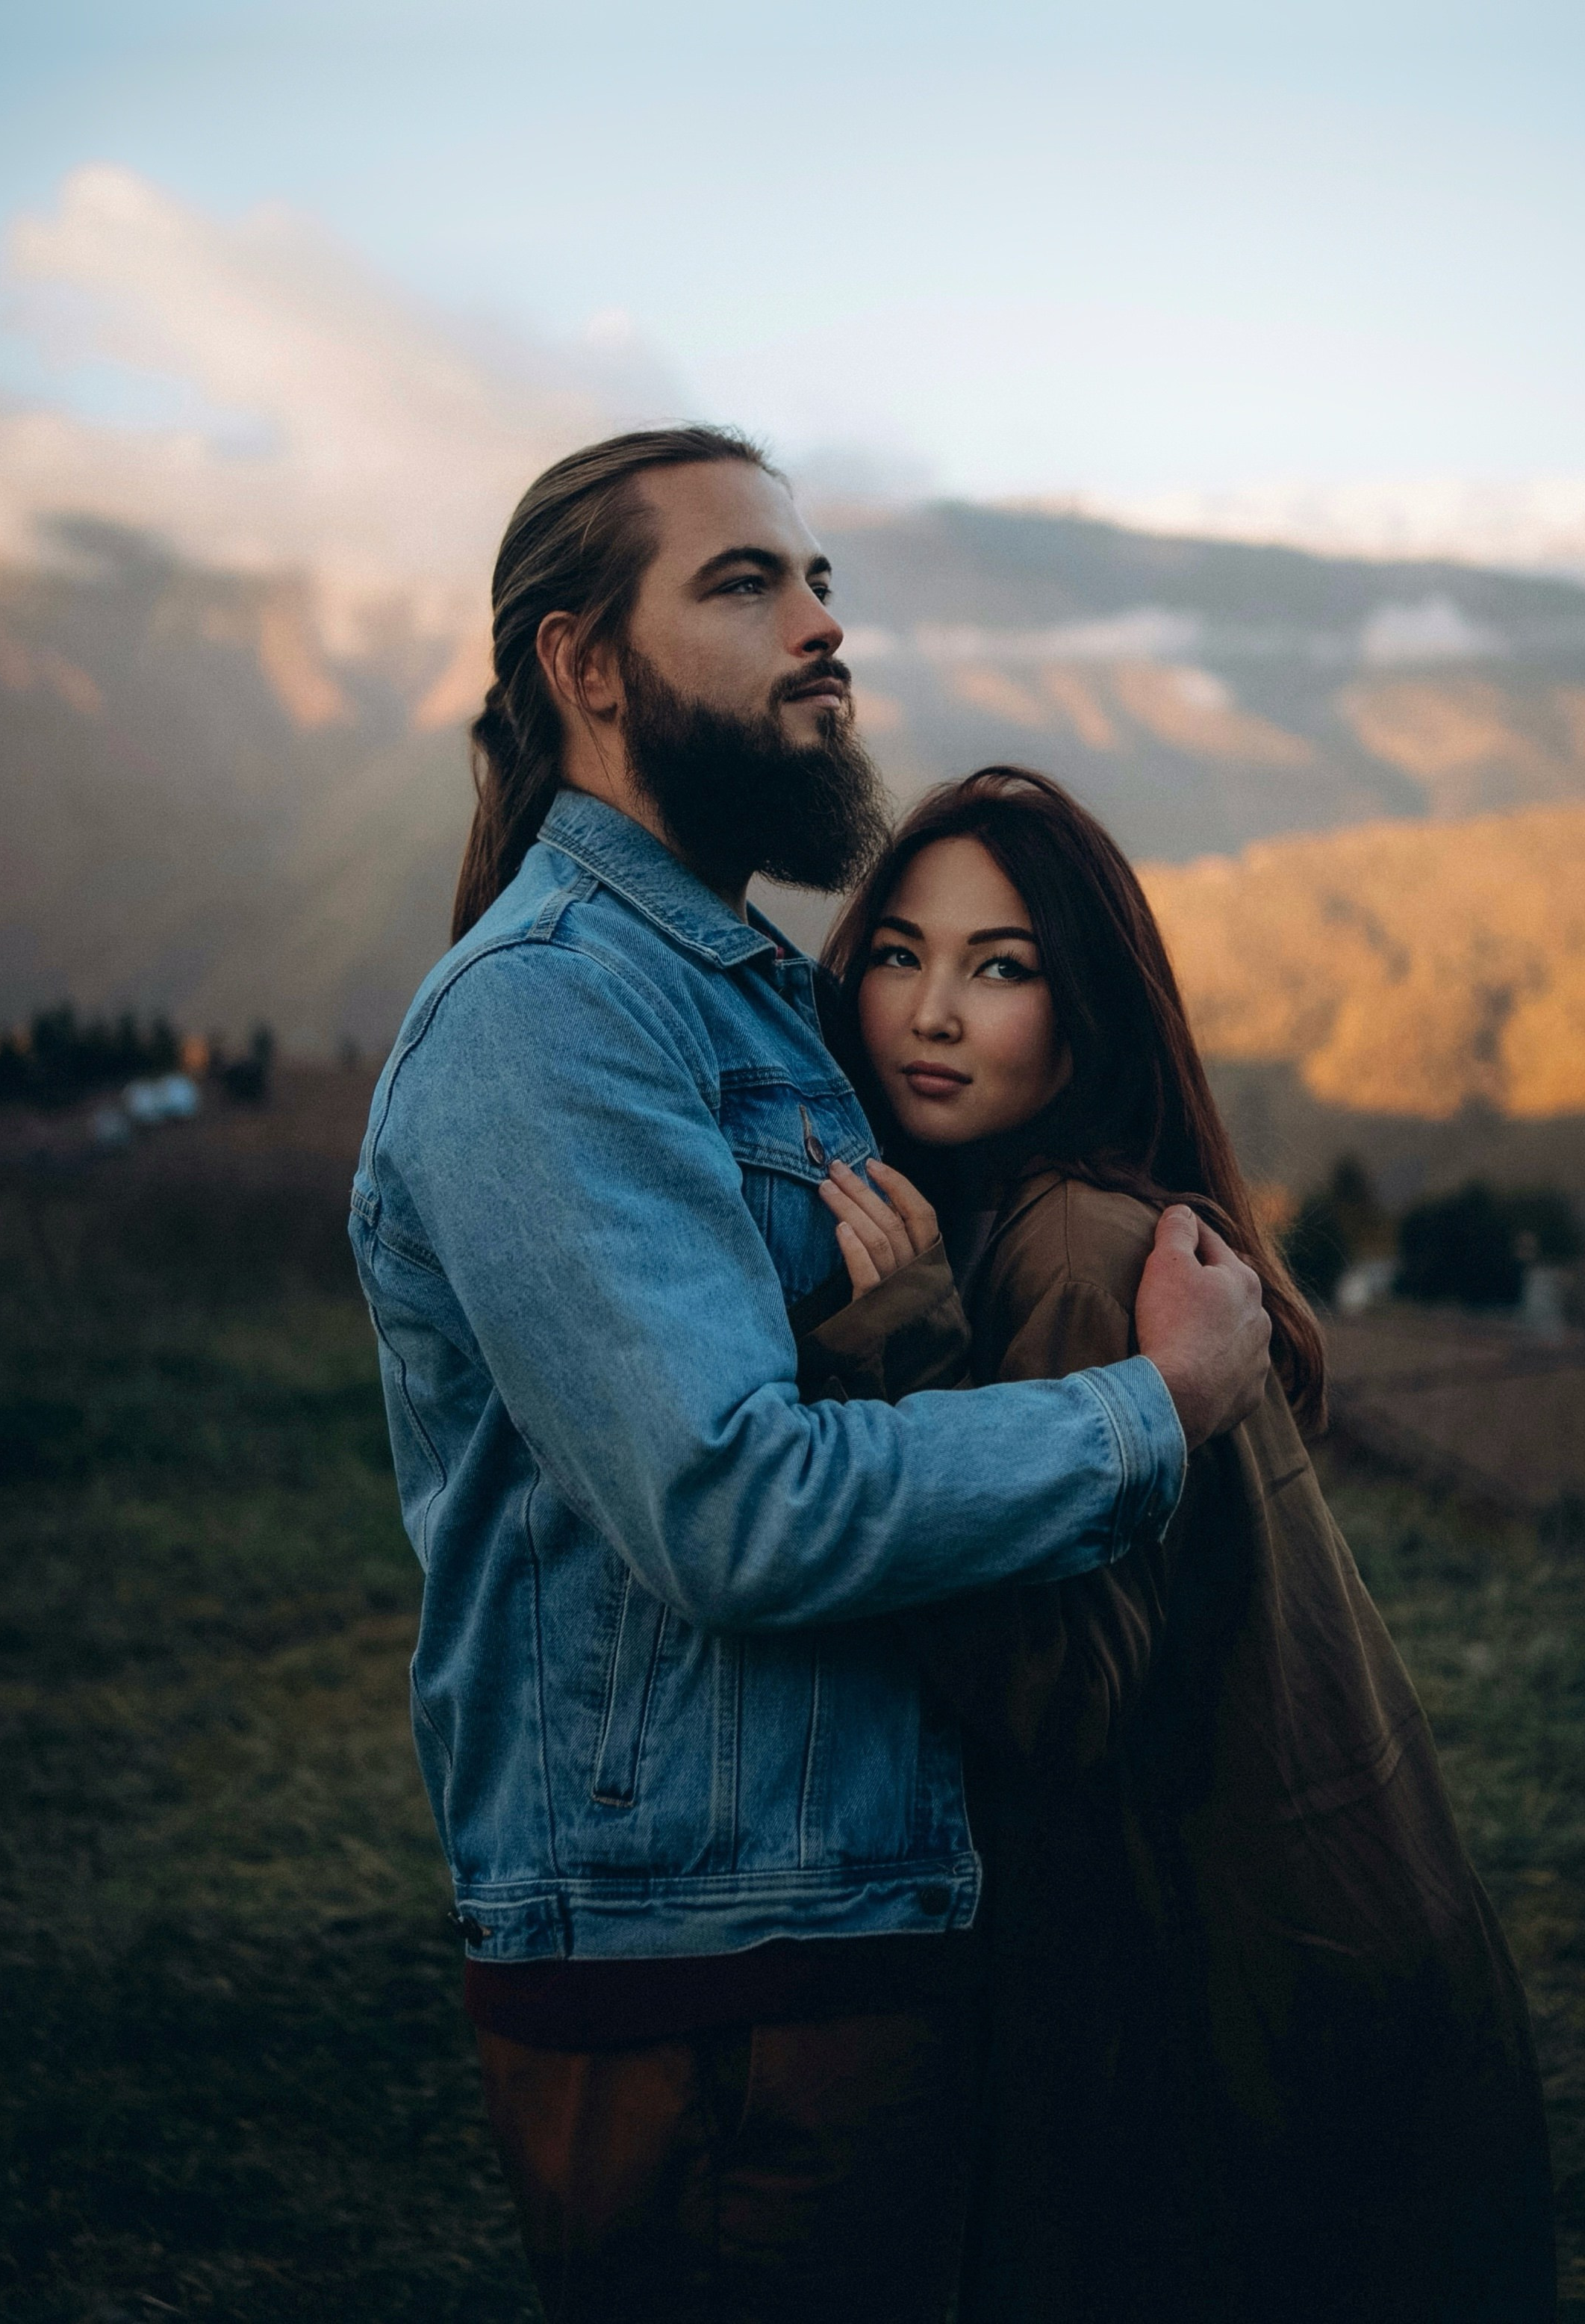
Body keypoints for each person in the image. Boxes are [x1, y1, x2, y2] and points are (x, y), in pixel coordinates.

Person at [349, 429, 1271, 2323]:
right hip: (704, 1992)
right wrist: (1149, 1410)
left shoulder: (744, 990)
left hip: (839, 1945)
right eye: (746, 582)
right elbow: (730, 1504)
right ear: (585, 665)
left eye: (821, 579)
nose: (822, 624)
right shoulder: (546, 1014)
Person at [803, 765, 1557, 2323]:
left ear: (1083, 1010)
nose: (931, 1011)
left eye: (1000, 967)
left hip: (1236, 2010)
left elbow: (1057, 1692)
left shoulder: (1075, 1251)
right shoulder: (1024, 1213)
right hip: (1293, 1963)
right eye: (899, 952)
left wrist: (906, 1349)